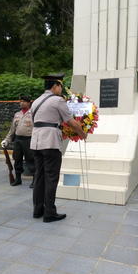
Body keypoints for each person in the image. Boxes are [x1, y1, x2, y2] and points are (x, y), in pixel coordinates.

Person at [31, 73, 87, 222]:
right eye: (61, 86)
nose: (61, 89)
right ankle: (49, 213)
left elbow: (36, 121)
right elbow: (70, 121)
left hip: (36, 143)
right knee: (51, 178)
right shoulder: (57, 100)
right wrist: (82, 133)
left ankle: (38, 210)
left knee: (39, 177)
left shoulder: (36, 101)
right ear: (55, 86)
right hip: (50, 143)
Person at [1, 95, 35, 188]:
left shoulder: (33, 113)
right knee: (17, 160)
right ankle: (18, 179)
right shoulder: (17, 114)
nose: (21, 103)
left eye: (24, 101)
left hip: (29, 140)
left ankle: (35, 180)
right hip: (18, 140)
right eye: (21, 101)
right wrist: (6, 140)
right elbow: (12, 130)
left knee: (31, 160)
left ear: (29, 103)